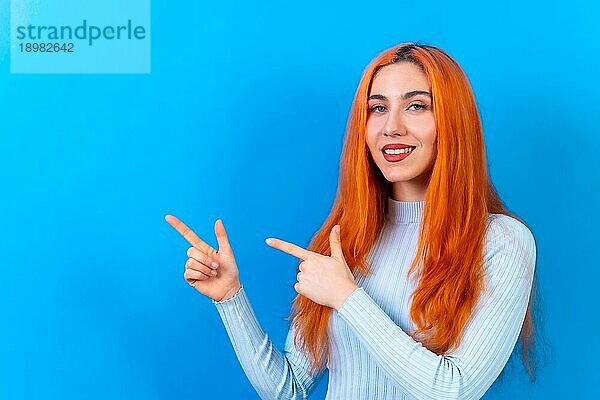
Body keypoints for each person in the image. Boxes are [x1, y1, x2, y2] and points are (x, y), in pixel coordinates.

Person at [165, 42, 538, 399]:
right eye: (377, 108)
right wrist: (231, 298)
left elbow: (452, 391)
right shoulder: (344, 241)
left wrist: (347, 296)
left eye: (416, 106)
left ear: (454, 123)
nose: (391, 126)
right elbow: (287, 389)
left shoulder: (501, 241)